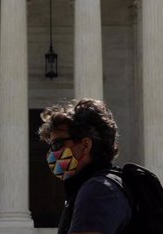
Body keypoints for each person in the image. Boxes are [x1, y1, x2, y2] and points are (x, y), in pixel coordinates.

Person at [39, 99, 131, 234]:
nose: (52, 154)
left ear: (85, 145)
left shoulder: (97, 191)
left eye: (57, 144)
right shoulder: (107, 186)